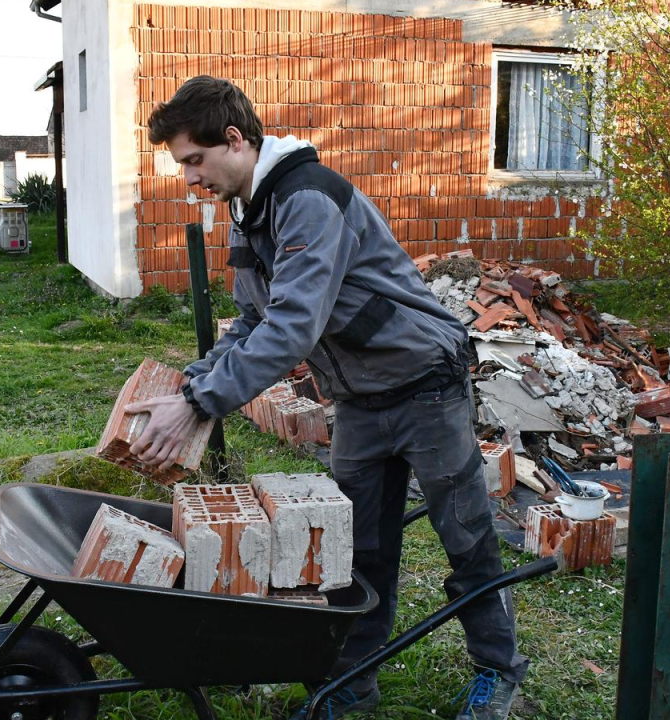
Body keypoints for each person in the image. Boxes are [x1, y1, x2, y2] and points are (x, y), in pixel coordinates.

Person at [124, 75, 525, 720]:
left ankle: (498, 671)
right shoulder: (247, 209)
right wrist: (195, 382)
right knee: (354, 548)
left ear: (234, 139)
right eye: (181, 166)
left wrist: (202, 405)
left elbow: (293, 328)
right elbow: (256, 318)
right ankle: (352, 682)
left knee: (465, 535)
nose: (189, 177)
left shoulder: (308, 198)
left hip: (425, 384)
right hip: (359, 401)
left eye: (194, 160)